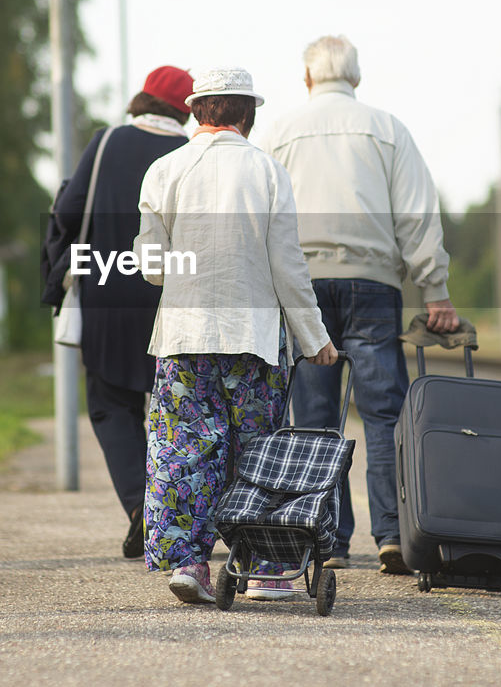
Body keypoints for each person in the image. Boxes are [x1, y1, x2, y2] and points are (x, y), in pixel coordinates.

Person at [134, 66, 338, 604]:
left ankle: (189, 564)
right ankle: (267, 569)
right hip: (254, 339)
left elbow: (151, 266)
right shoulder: (268, 172)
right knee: (257, 453)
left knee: (184, 451)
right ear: (248, 113)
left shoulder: (163, 170)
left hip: (182, 337)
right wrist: (314, 336)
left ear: (198, 109)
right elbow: (287, 266)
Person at [265, 35, 459, 575]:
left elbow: (266, 213)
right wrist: (435, 289)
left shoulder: (279, 132)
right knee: (383, 413)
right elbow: (417, 214)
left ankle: (327, 539)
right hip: (373, 284)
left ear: (307, 80)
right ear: (357, 78)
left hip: (303, 287)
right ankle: (393, 535)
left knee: (315, 418)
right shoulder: (387, 128)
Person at [42, 65, 194, 559]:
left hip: (108, 293)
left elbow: (68, 213)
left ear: (142, 100)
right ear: (184, 110)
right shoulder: (191, 154)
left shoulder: (106, 143)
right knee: (184, 412)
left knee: (112, 404)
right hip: (174, 298)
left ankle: (139, 507)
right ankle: (181, 513)